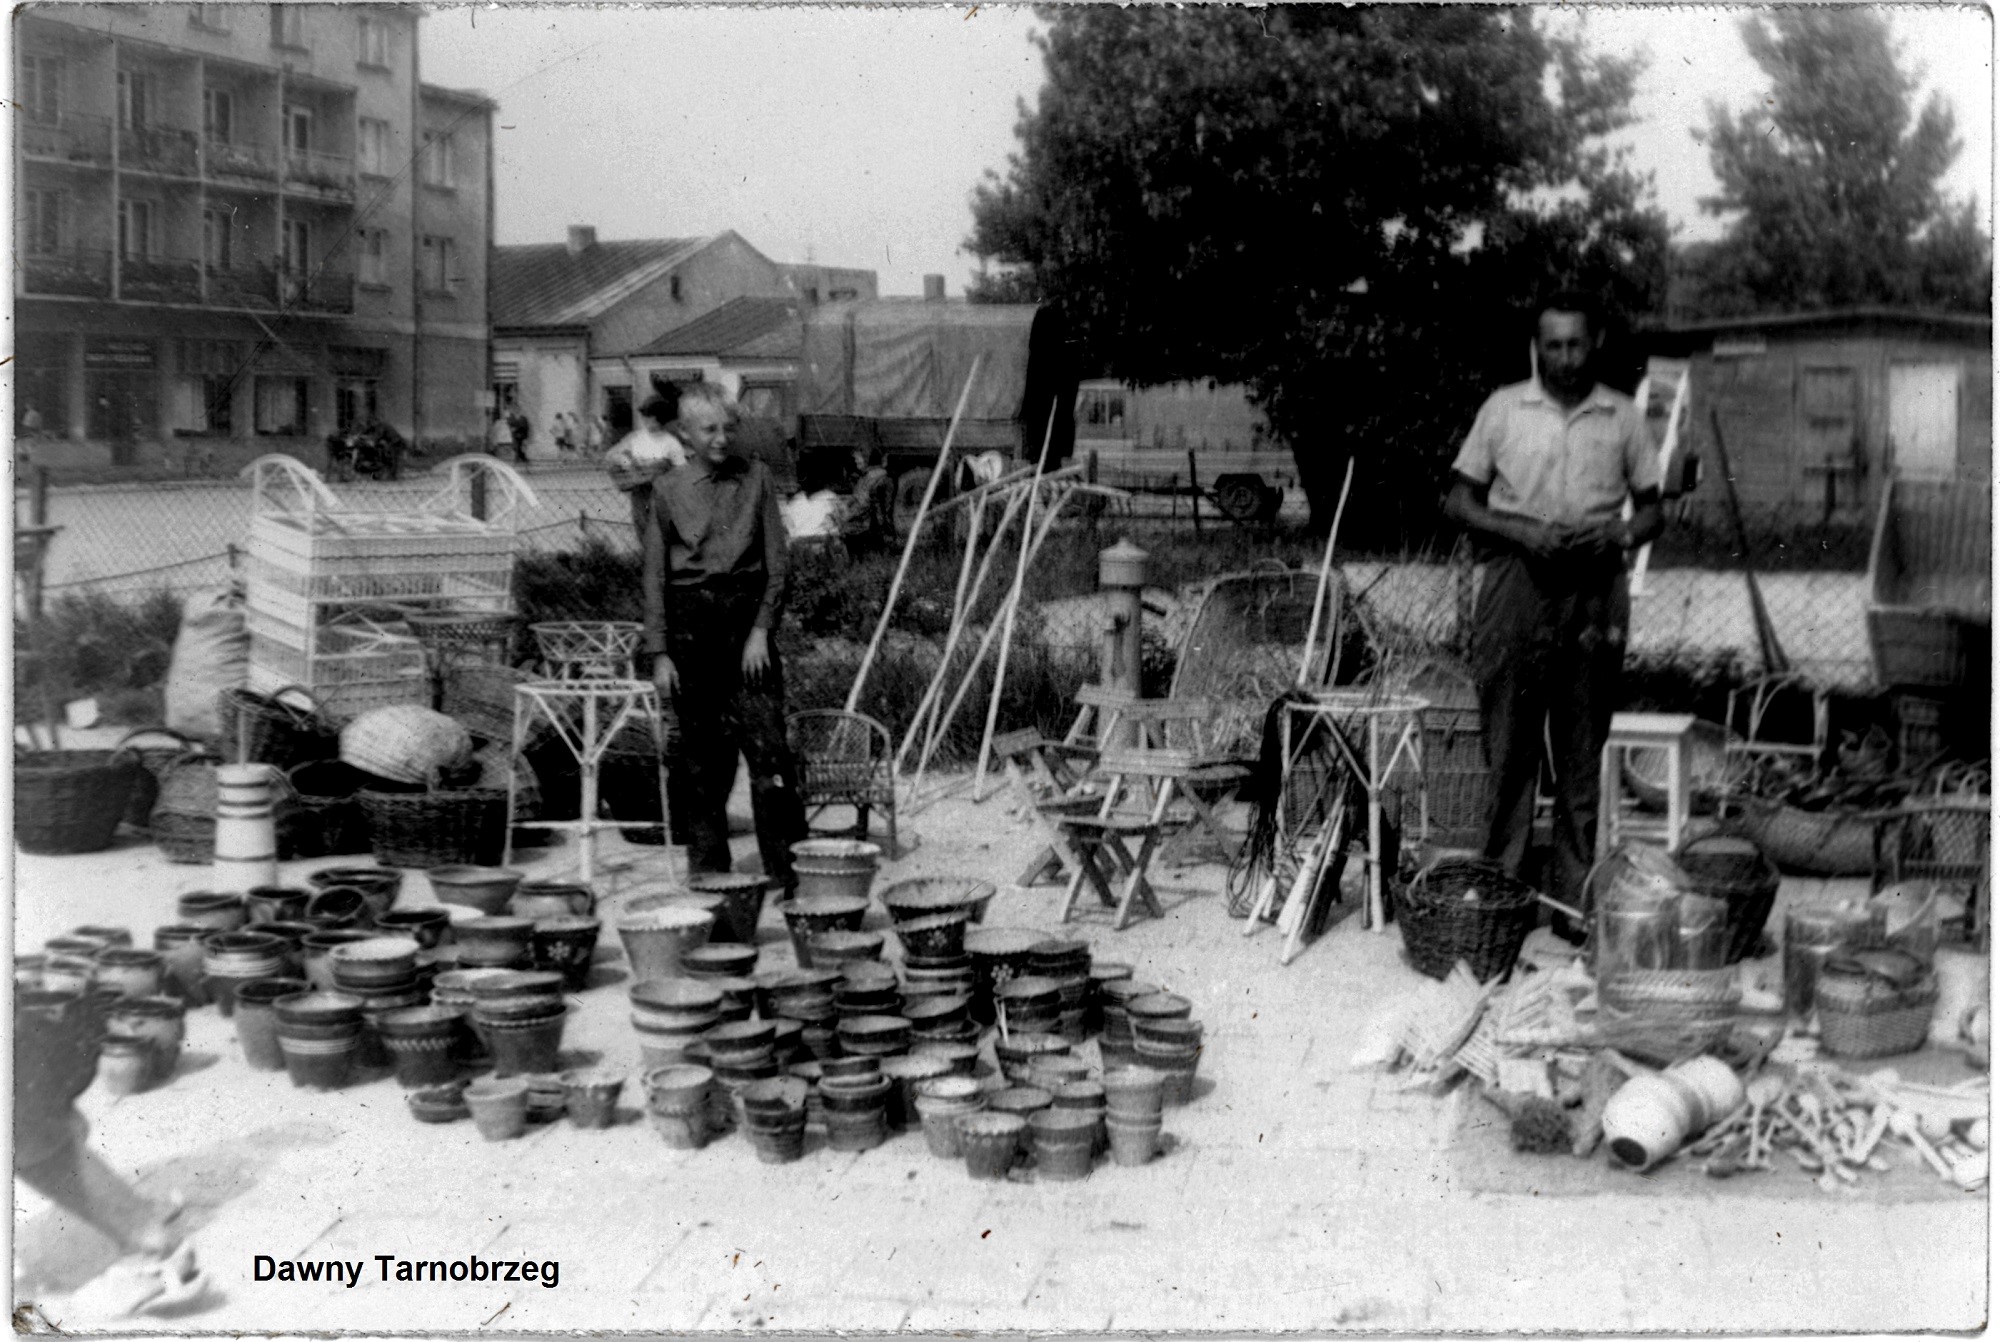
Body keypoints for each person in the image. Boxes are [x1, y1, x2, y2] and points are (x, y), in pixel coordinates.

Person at [1441, 291, 1664, 937]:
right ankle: (1504, 904)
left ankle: (1571, 910)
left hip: (1596, 587)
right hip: (1518, 581)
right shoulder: (1505, 408)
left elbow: (1652, 510)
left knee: (1580, 752)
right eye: (1552, 344)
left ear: (1595, 344)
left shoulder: (1623, 417)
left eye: (1575, 343)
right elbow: (1459, 502)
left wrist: (1619, 536)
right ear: (1538, 347)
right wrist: (1519, 530)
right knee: (1509, 750)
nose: (1564, 356)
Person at [642, 382, 807, 893]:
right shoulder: (667, 490)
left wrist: (761, 632)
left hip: (745, 627)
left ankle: (786, 876)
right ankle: (710, 878)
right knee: (703, 764)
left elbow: (777, 566)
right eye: (709, 429)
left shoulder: (756, 479)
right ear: (686, 435)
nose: (720, 438)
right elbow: (654, 577)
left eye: (727, 428)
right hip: (691, 632)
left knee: (770, 755)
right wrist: (661, 652)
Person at [605, 394, 687, 535]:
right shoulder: (636, 438)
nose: (646, 421)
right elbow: (612, 456)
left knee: (663, 534)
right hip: (639, 496)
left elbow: (682, 471)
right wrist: (627, 462)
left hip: (662, 496)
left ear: (661, 419)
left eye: (651, 417)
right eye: (645, 417)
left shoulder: (671, 443)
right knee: (643, 531)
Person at [841, 445, 896, 557]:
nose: (856, 460)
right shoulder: (876, 475)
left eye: (858, 458)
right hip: (877, 526)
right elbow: (859, 497)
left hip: (868, 527)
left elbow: (863, 504)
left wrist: (844, 516)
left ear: (867, 459)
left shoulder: (871, 477)